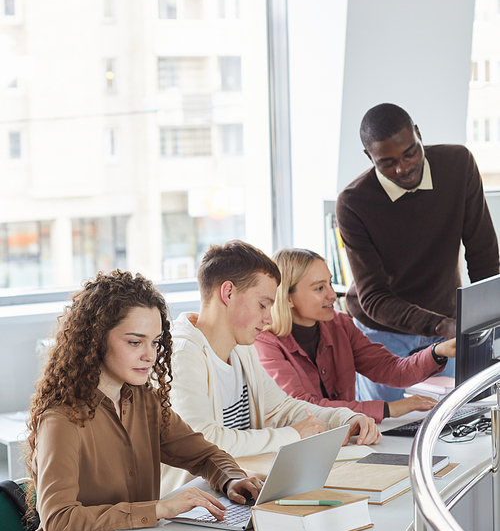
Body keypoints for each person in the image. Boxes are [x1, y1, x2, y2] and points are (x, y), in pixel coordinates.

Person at [14, 270, 261, 531]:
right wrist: (158, 508)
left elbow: (203, 453)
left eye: (156, 342)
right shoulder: (62, 419)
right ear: (96, 340)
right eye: (135, 342)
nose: (149, 355)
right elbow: (60, 523)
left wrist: (233, 479)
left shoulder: (144, 400)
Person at [161, 240, 381, 497]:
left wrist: (344, 419)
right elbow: (205, 441)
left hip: (235, 492)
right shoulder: (183, 353)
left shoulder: (241, 347)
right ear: (228, 293)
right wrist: (291, 435)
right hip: (193, 507)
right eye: (263, 305)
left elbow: (283, 408)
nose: (268, 318)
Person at [335, 102, 499, 402]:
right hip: (382, 334)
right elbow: (373, 297)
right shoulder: (353, 203)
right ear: (369, 157)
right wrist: (444, 324)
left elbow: (484, 254)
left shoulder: (457, 164)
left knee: (454, 423)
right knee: (389, 433)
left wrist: (488, 322)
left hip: (446, 322)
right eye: (386, 162)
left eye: (410, 152)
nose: (403, 167)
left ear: (418, 134)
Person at [255, 248, 456, 423]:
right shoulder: (265, 343)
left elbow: (391, 370)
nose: (332, 295)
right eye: (319, 288)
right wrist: (389, 409)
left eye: (330, 284)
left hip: (349, 438)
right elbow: (303, 408)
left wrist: (438, 352)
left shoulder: (340, 324)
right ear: (288, 298)